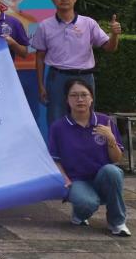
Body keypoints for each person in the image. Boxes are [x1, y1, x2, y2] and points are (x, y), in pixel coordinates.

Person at [48, 79, 130, 236]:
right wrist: (65, 179)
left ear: (91, 98)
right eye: (74, 95)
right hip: (77, 180)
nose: (80, 99)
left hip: (102, 176)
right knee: (87, 203)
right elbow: (55, 159)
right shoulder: (58, 127)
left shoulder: (105, 121)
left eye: (84, 95)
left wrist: (111, 139)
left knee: (112, 171)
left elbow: (116, 159)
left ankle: (117, 223)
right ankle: (79, 213)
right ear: (67, 100)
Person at [32, 0, 120, 126]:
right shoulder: (45, 26)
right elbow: (40, 56)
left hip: (84, 77)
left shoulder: (89, 23)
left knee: (85, 118)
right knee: (56, 118)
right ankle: (57, 142)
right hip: (57, 78)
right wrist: (41, 85)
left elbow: (110, 48)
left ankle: (85, 142)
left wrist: (115, 35)